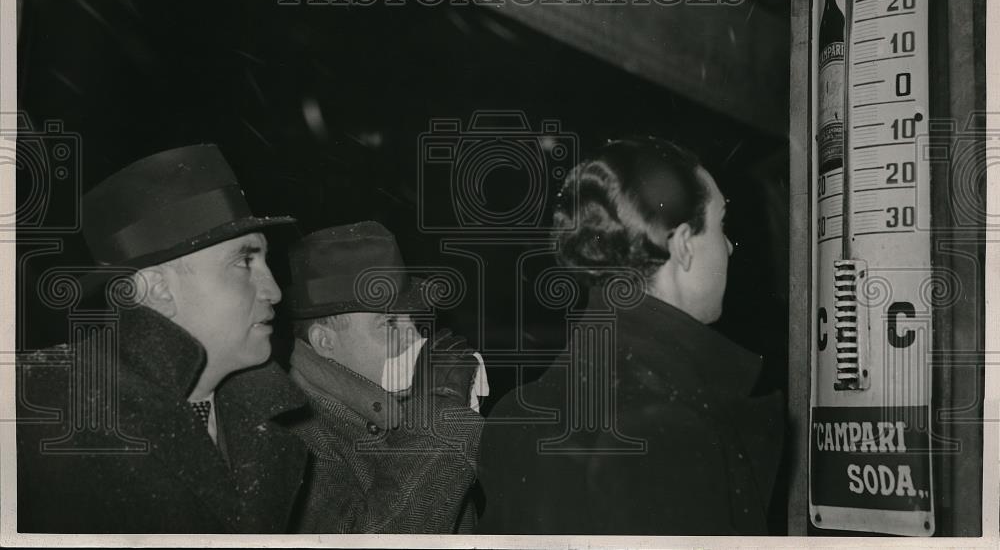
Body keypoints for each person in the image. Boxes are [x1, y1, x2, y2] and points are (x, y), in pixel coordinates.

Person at [477, 137, 784, 534]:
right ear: (684, 245)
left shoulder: (518, 409)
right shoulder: (670, 429)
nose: (728, 246)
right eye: (720, 223)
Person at [16, 144, 309, 533]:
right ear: (157, 289)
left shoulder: (249, 418)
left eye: (265, 261)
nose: (274, 291)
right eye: (244, 262)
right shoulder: (45, 412)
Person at [284, 221, 486, 533]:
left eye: (412, 321)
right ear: (325, 342)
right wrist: (439, 415)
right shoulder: (301, 439)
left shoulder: (395, 407)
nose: (414, 337)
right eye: (389, 323)